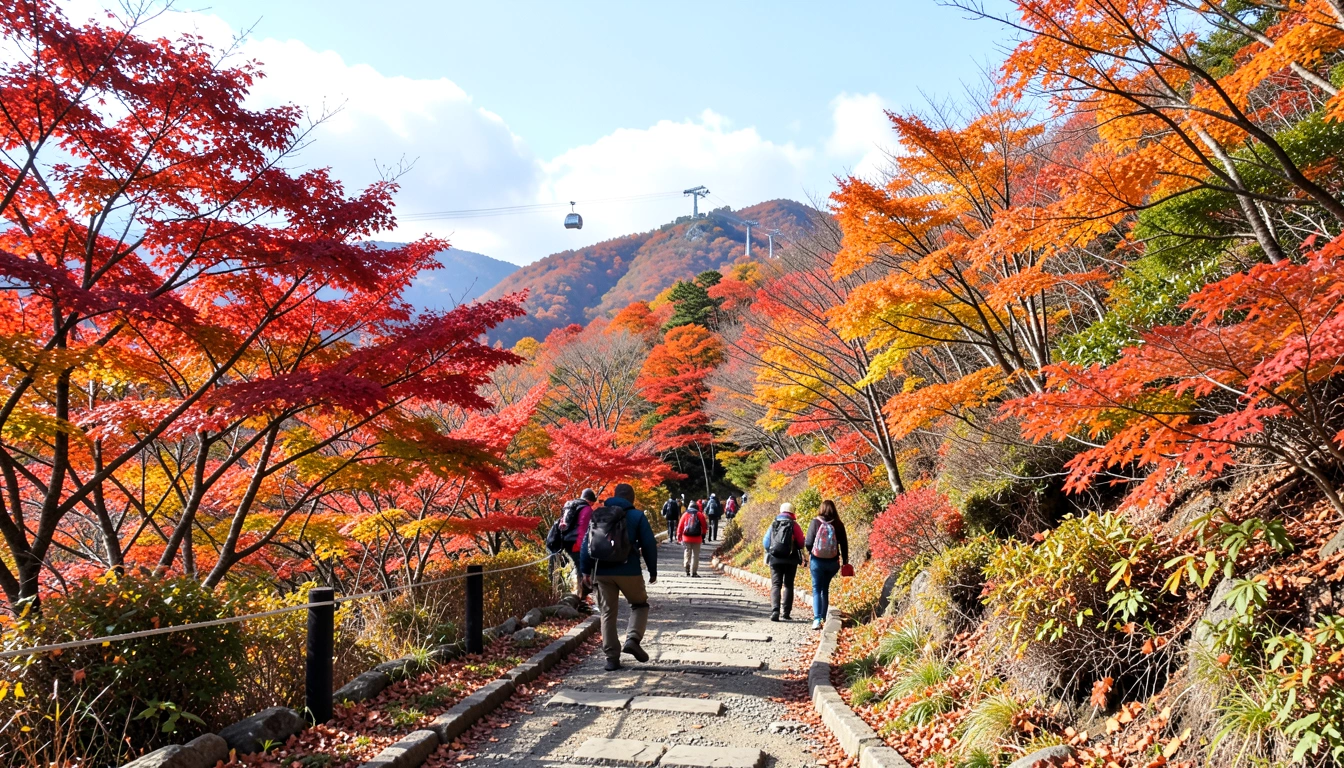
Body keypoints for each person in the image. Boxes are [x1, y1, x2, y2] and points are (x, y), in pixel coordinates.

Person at [579, 483, 659, 671]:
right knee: (639, 604)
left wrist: (585, 571)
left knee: (607, 614)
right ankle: (632, 639)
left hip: (602, 572)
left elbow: (586, 543)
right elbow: (648, 544)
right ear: (631, 499)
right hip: (628, 570)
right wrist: (652, 570)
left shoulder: (598, 514)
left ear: (614, 496)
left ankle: (611, 658)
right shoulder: (637, 516)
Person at [805, 499, 850, 629]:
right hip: (832, 562)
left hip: (817, 561)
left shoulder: (815, 522)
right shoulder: (838, 524)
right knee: (825, 588)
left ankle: (817, 619)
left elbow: (808, 542)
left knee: (816, 589)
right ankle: (824, 618)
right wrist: (845, 561)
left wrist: (812, 552)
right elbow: (844, 544)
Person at [761, 502, 805, 622]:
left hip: (775, 559)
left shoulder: (774, 524)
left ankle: (775, 610)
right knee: (788, 585)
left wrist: (772, 550)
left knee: (776, 584)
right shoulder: (794, 525)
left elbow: (765, 542)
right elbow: (801, 543)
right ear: (792, 512)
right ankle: (786, 613)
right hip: (791, 559)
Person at [677, 500, 709, 577]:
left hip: (686, 537)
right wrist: (703, 535)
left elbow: (680, 526)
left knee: (687, 551)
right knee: (695, 555)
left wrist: (679, 536)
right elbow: (704, 526)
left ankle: (686, 565)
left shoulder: (685, 514)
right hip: (697, 538)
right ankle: (693, 572)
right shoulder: (699, 514)